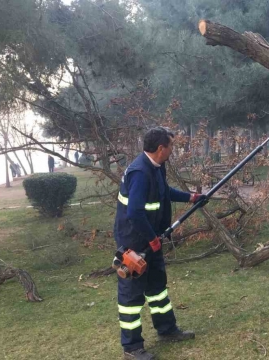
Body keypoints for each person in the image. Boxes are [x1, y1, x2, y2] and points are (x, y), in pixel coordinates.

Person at [114, 127, 206, 360]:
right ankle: (132, 348)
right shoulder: (139, 173)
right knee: (131, 298)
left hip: (151, 237)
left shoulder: (156, 167)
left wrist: (191, 197)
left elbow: (164, 192)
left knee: (157, 289)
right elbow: (135, 212)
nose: (172, 151)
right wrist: (151, 239)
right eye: (171, 146)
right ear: (160, 148)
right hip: (135, 244)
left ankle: (167, 330)